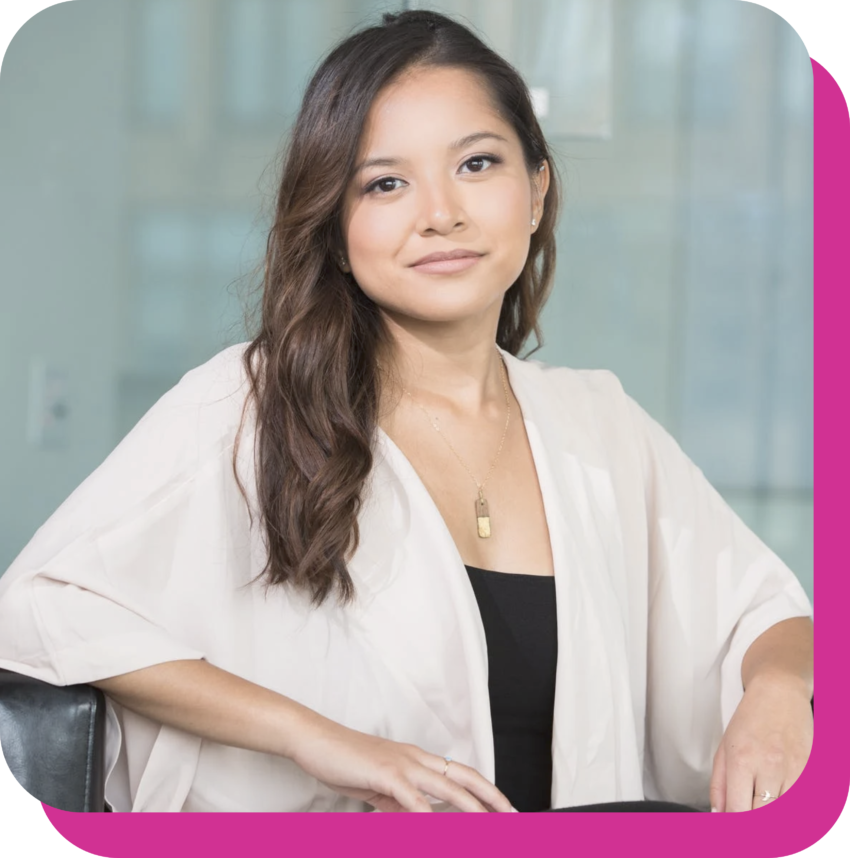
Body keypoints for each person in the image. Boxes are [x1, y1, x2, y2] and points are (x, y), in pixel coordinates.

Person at [0, 10, 812, 813]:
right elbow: (39, 608)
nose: (440, 213)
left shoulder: (599, 424)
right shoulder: (248, 406)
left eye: (477, 164)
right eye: (385, 183)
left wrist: (777, 690)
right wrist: (311, 737)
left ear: (536, 192)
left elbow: (764, 611)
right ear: (335, 225)